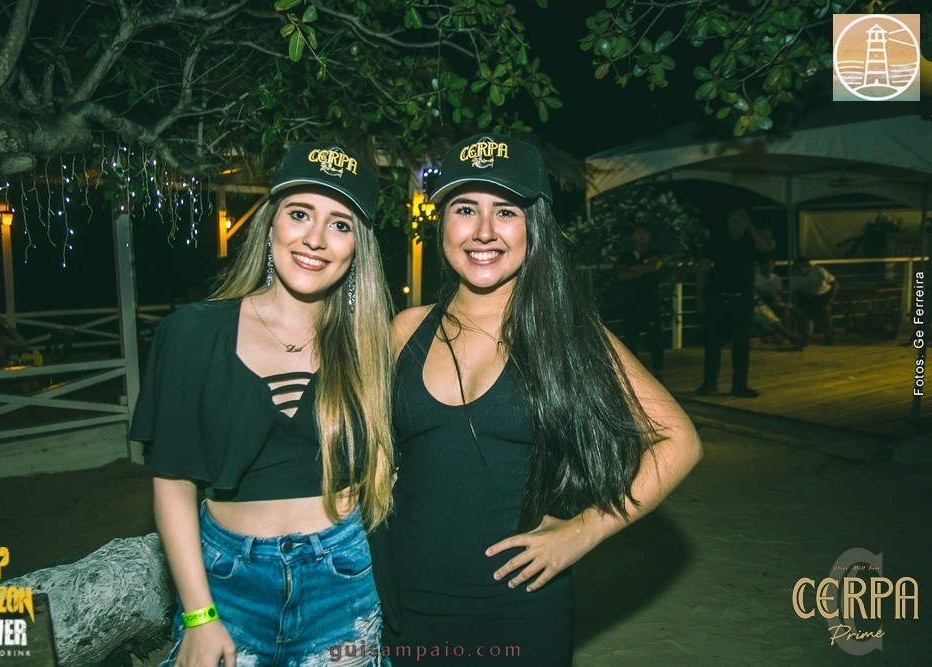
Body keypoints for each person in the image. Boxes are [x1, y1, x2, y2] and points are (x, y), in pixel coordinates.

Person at [385, 134, 702, 665]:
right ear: (441, 224)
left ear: (534, 227)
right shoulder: (404, 331)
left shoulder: (569, 335)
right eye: (465, 208)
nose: (483, 230)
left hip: (519, 612)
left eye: (506, 211)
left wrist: (584, 530)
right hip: (404, 605)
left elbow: (679, 441)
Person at [130, 142, 395, 666]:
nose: (315, 238)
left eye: (340, 224)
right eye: (299, 214)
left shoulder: (371, 346)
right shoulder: (192, 333)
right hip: (226, 584)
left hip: (342, 580)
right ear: (270, 224)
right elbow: (174, 482)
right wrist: (198, 615)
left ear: (357, 248)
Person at [694, 208, 775, 398]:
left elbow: (768, 247)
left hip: (742, 299)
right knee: (712, 343)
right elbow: (703, 270)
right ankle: (709, 383)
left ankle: (740, 385)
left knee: (741, 344)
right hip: (718, 298)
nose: (737, 222)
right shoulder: (716, 241)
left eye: (741, 219)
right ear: (727, 221)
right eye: (734, 218)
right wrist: (699, 298)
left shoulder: (750, 241)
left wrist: (751, 227)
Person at [615, 224, 665, 379]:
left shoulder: (655, 253)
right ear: (632, 236)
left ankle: (658, 372)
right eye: (638, 232)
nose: (642, 235)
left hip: (651, 304)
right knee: (631, 342)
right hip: (631, 305)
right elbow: (621, 276)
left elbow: (654, 267)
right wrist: (644, 268)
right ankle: (631, 375)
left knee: (655, 340)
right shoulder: (624, 256)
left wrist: (632, 269)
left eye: (645, 232)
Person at [753, 260, 803, 348]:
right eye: (766, 265)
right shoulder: (756, 278)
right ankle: (790, 337)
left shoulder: (776, 278)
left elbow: (780, 293)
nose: (768, 268)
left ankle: (787, 337)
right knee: (766, 318)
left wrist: (784, 301)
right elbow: (758, 293)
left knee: (785, 312)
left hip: (770, 303)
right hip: (760, 304)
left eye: (770, 265)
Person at [790, 256, 839, 345]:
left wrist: (830, 300)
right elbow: (797, 291)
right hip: (807, 296)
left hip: (823, 295)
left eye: (799, 267)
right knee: (802, 313)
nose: (797, 270)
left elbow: (835, 284)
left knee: (826, 310)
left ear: (807, 266)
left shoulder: (819, 271)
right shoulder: (795, 277)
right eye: (796, 267)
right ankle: (807, 335)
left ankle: (828, 335)